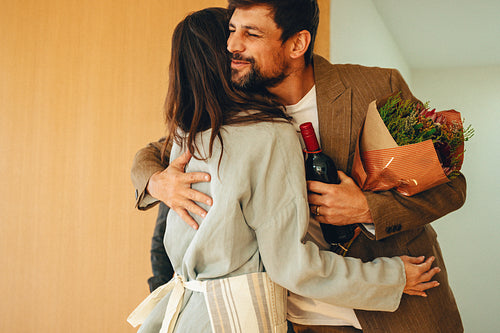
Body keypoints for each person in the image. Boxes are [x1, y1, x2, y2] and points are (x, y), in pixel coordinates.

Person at [128, 7, 440, 333]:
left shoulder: (191, 131)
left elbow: (445, 185)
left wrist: (367, 208)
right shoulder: (256, 131)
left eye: (250, 34)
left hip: (194, 316)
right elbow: (291, 265)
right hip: (249, 315)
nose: (236, 45)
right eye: (232, 33)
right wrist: (156, 183)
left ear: (296, 44)